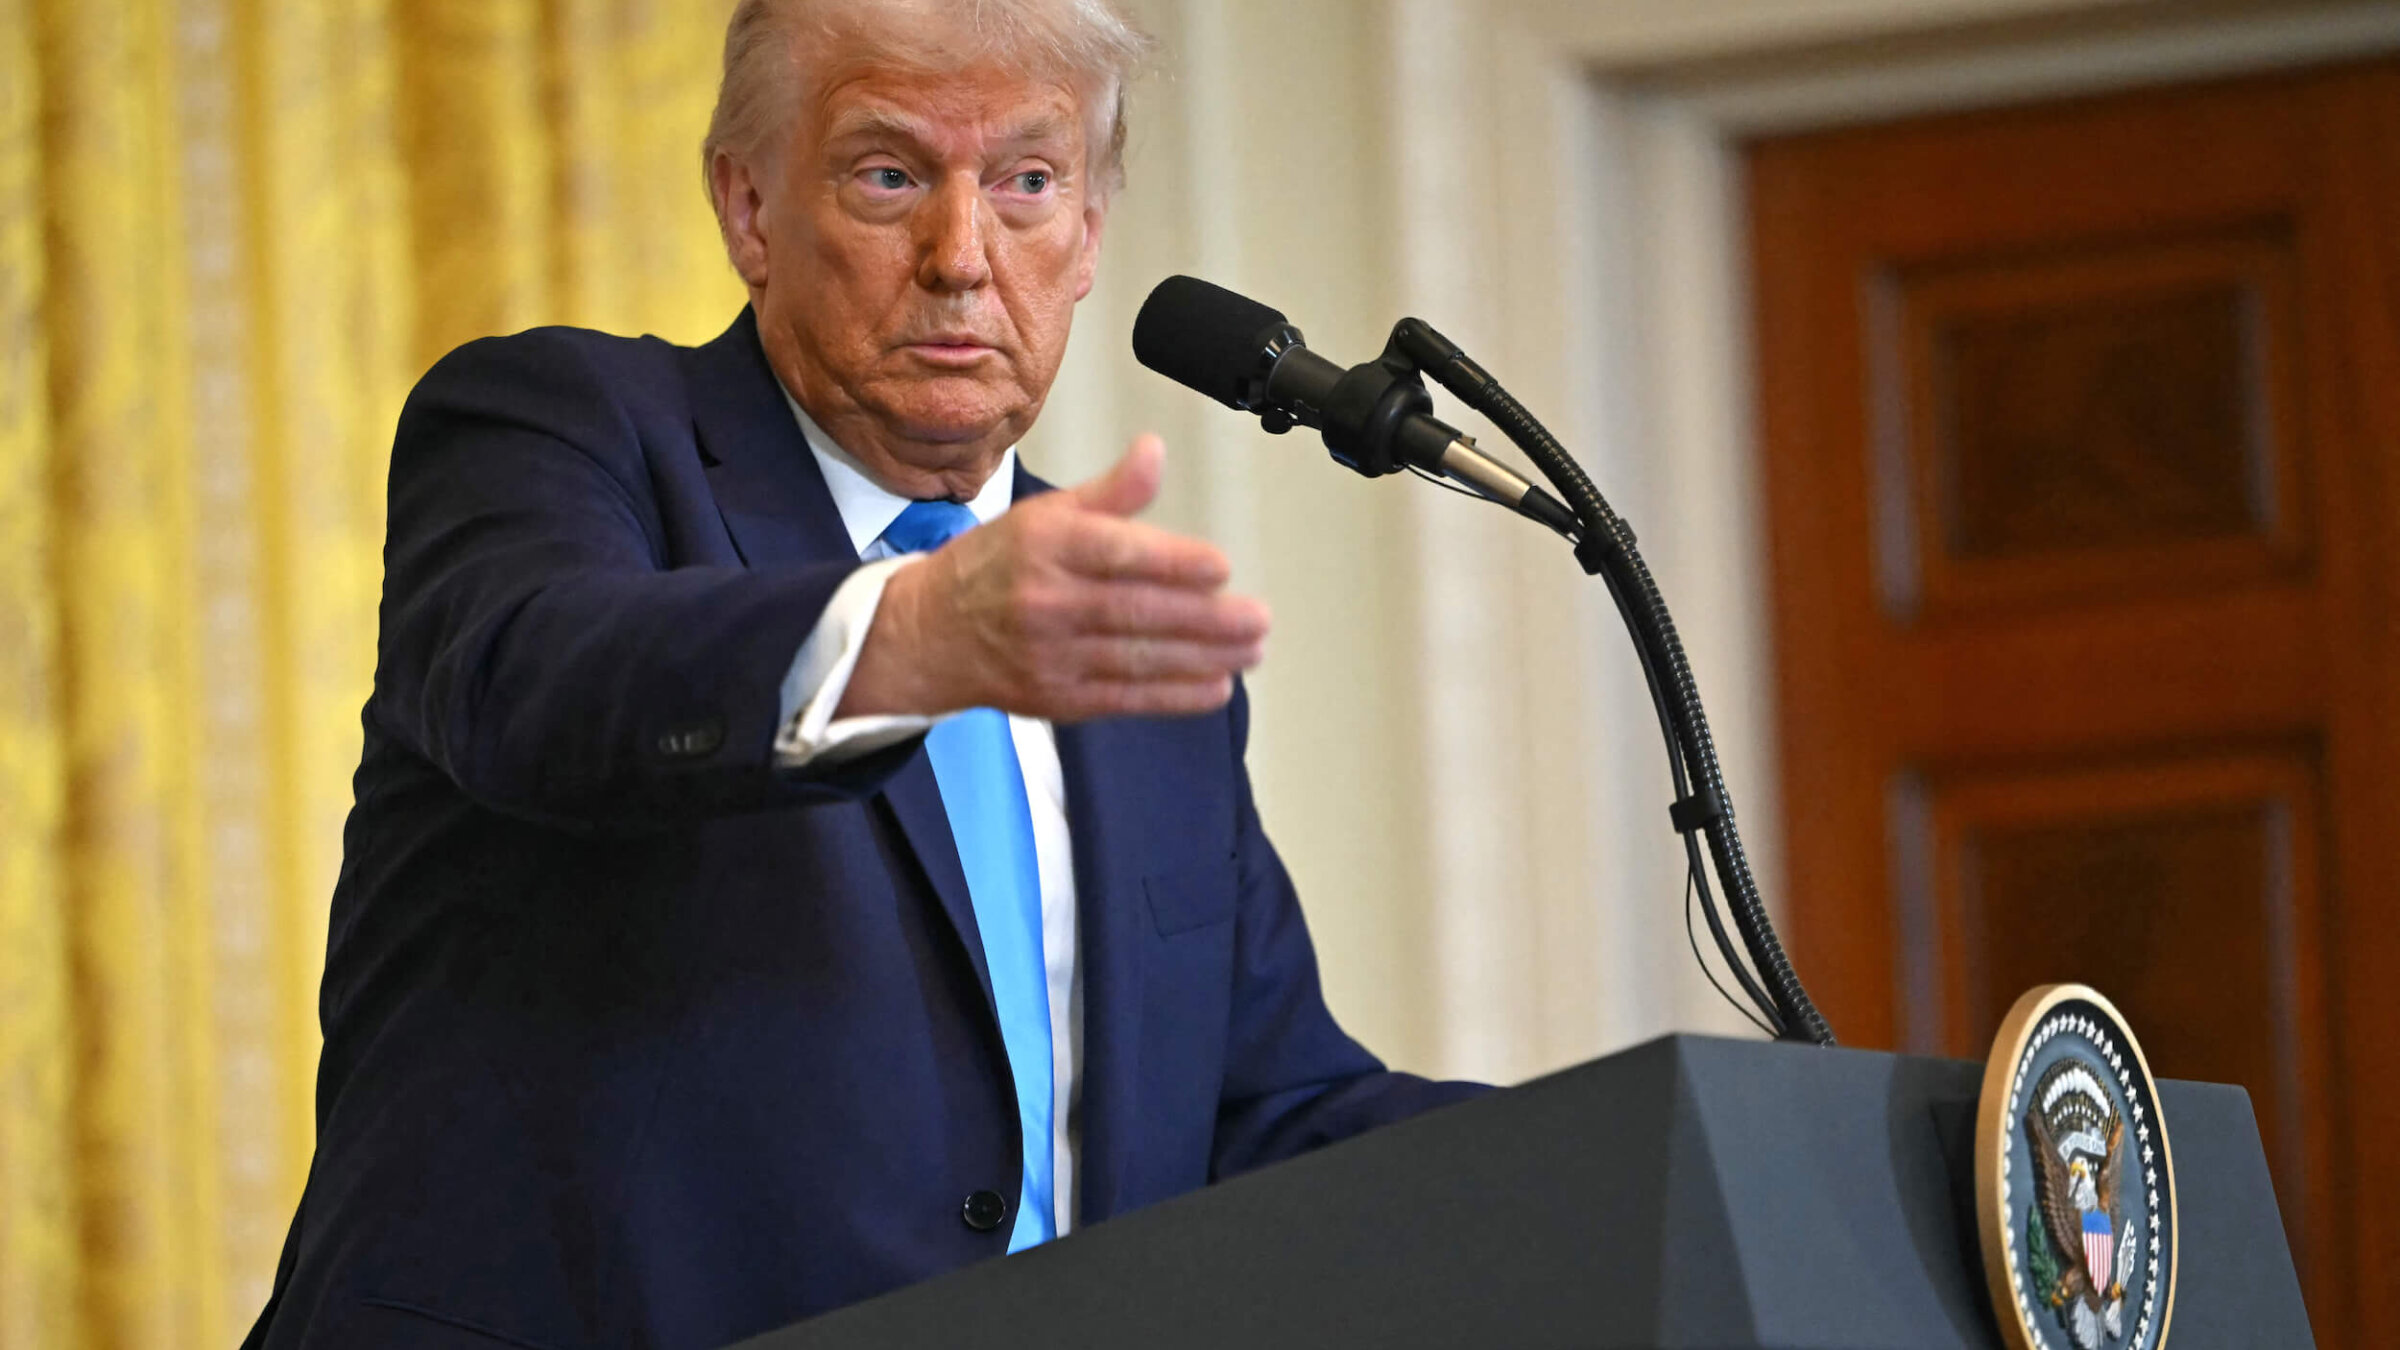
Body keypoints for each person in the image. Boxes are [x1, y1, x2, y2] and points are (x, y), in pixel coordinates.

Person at [244, 2, 1481, 1346]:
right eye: (890, 174)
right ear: (749, 206)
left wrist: (1657, 1137)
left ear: (1090, 233)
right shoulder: (565, 433)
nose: (961, 257)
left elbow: (1264, 1112)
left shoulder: (1101, 626)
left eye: (1025, 182)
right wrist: (907, 633)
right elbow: (536, 680)